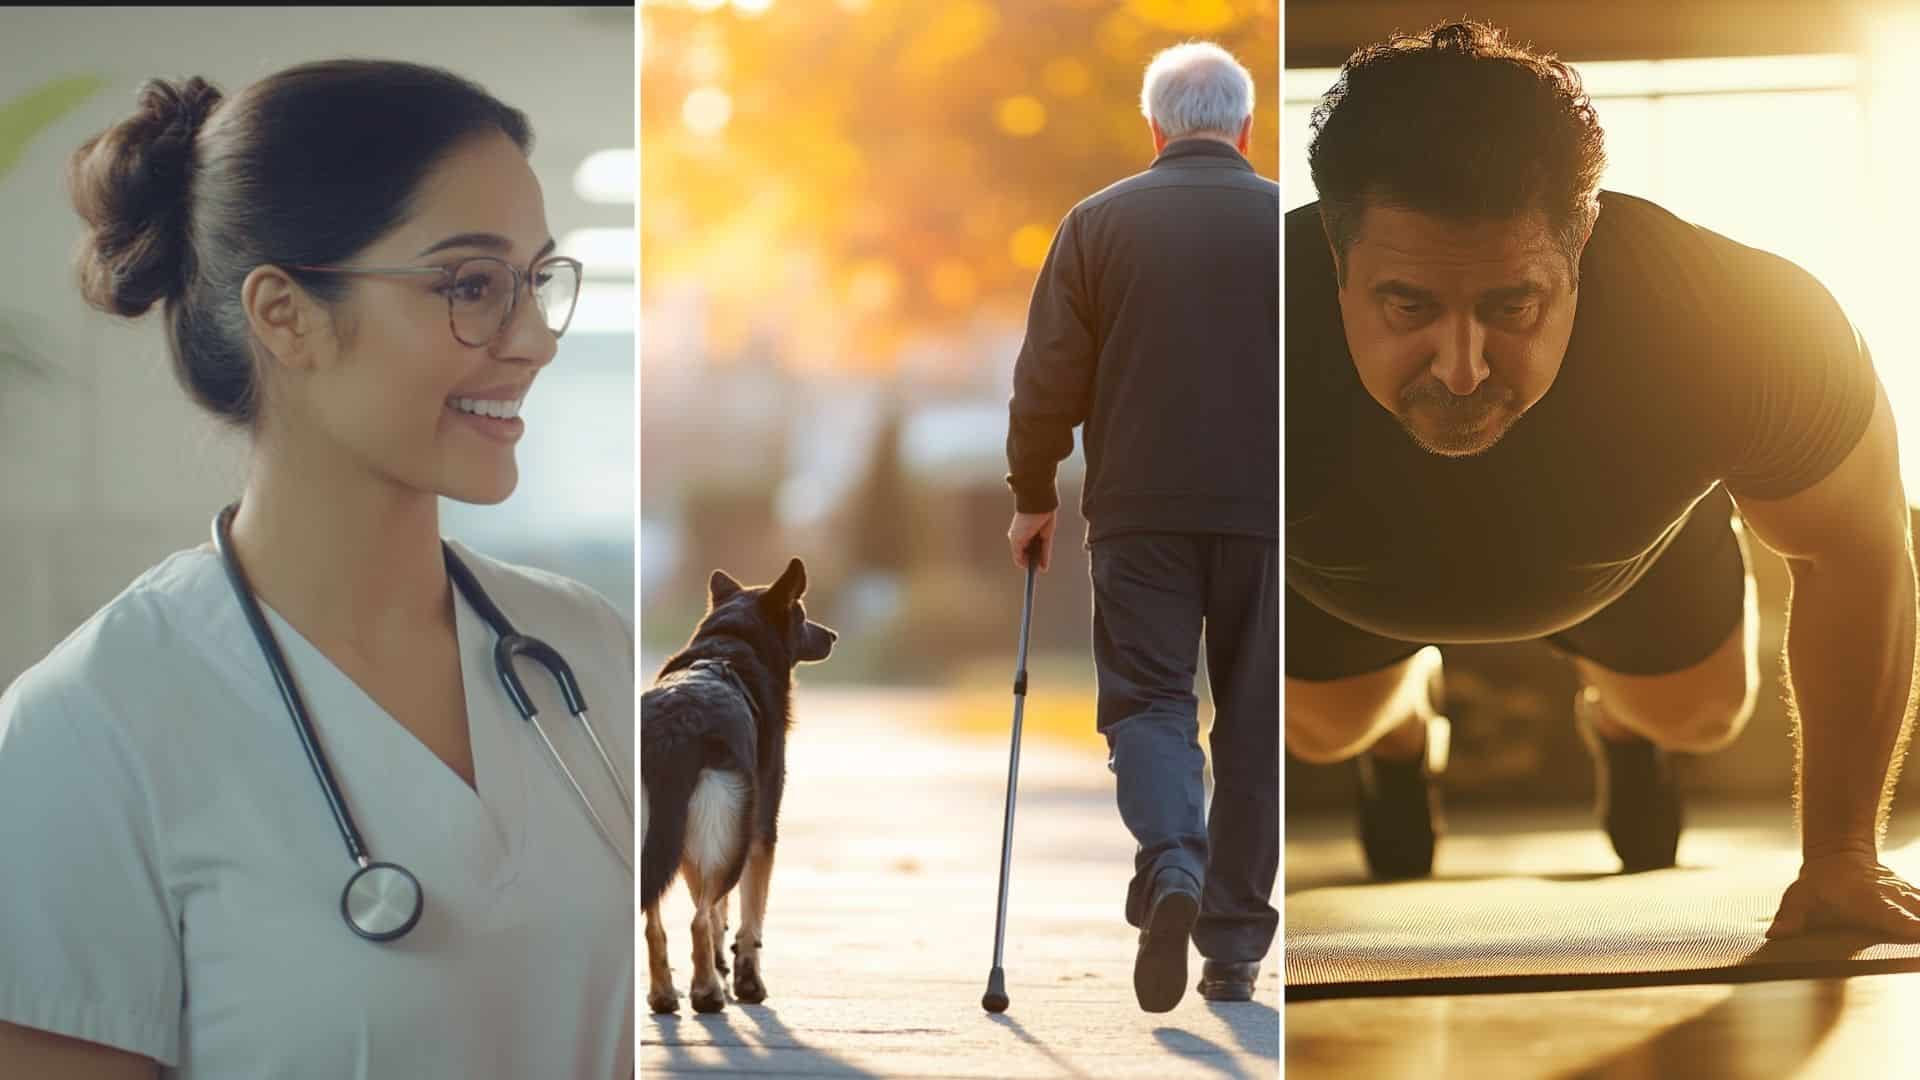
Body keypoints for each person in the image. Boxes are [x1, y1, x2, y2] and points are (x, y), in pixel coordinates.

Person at [0, 61, 635, 1075]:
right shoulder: (86, 731)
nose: (534, 342)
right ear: (285, 315)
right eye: (471, 285)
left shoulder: (588, 649)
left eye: (536, 282)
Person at [1288, 20, 1920, 942]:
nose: (1462, 369)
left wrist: (1841, 858)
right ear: (1337, 264)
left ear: (1580, 248)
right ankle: (1401, 731)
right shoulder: (1232, 337)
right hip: (1348, 573)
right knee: (1319, 731)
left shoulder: (1733, 318)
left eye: (1513, 304)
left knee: (1702, 717)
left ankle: (1623, 729)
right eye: (1410, 304)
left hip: (1627, 548)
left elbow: (1856, 550)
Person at [1003, 41, 1278, 1012]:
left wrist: (1034, 491)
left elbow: (1045, 382)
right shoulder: (1299, 228)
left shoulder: (1097, 224)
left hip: (1139, 518)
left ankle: (1173, 865)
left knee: (1153, 705)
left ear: (1154, 129)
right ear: (1246, 130)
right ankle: (1235, 951)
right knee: (1256, 723)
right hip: (1273, 519)